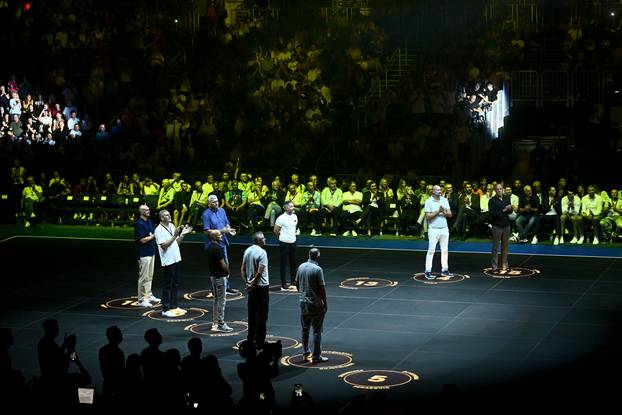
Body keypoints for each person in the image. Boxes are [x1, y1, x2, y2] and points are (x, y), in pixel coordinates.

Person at [154, 209, 193, 317]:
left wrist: (183, 235)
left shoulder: (171, 225)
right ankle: (165, 309)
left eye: (169, 214)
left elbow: (176, 243)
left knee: (175, 284)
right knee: (168, 285)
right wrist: (175, 235)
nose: (169, 216)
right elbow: (164, 246)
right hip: (168, 260)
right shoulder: (158, 230)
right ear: (161, 218)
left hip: (176, 258)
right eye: (167, 215)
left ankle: (174, 306)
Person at [295, 248, 328, 363]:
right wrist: (325, 303)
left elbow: (297, 284)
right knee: (316, 330)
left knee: (305, 329)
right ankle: (316, 355)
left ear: (308, 255)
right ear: (318, 256)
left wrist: (302, 295)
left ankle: (305, 352)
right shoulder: (318, 269)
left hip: (303, 303)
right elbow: (321, 288)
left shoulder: (301, 266)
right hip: (315, 303)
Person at [202, 194, 239, 295]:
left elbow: (226, 223)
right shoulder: (206, 214)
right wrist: (223, 230)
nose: (216, 203)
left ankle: (226, 287)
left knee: (225, 264)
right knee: (216, 266)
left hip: (222, 242)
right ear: (209, 204)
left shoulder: (222, 210)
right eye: (214, 202)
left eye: (217, 201)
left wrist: (229, 230)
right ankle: (216, 288)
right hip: (212, 244)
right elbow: (206, 231)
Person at [241, 231, 270, 349]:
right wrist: (253, 284)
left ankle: (250, 337)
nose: (265, 239)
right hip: (261, 287)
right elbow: (260, 271)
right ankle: (260, 341)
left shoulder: (247, 250)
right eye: (263, 238)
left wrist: (247, 283)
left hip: (251, 287)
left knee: (252, 313)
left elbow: (242, 268)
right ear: (258, 240)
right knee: (262, 315)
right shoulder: (262, 253)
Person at [424, 185, 453, 279]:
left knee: (445, 250)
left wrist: (443, 212)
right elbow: (428, 216)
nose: (439, 191)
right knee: (431, 250)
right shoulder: (428, 201)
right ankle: (428, 271)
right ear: (433, 191)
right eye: (437, 190)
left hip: (444, 228)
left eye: (440, 189)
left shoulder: (444, 200)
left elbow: (450, 214)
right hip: (433, 229)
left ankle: (445, 269)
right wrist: (438, 211)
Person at [207, 230, 233, 332]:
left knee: (216, 300)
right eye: (219, 234)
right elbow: (222, 264)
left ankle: (215, 322)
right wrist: (228, 271)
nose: (221, 235)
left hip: (213, 276)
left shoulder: (209, 247)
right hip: (220, 277)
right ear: (214, 237)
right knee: (221, 301)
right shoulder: (218, 248)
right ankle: (221, 324)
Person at [134, 205, 160, 307]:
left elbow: (150, 235)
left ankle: (148, 295)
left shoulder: (149, 221)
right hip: (143, 253)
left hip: (151, 251)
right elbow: (142, 240)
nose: (148, 211)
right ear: (141, 212)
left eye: (149, 209)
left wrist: (151, 236)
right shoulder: (139, 224)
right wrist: (153, 236)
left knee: (150, 276)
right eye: (146, 210)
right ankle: (141, 299)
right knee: (143, 277)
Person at [274, 201, 299, 291]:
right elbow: (276, 230)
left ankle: (293, 282)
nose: (293, 208)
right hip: (284, 243)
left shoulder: (295, 216)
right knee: (283, 264)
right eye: (291, 206)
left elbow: (294, 227)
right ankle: (283, 284)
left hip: (293, 242)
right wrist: (281, 238)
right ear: (285, 208)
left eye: (293, 206)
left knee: (293, 263)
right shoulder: (281, 218)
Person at [489, 183, 513, 271]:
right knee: (495, 247)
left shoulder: (507, 198)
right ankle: (494, 266)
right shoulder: (492, 201)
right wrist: (504, 210)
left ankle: (504, 265)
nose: (499, 190)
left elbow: (510, 212)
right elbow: (492, 214)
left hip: (506, 225)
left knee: (505, 247)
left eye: (501, 189)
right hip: (497, 226)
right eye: (498, 189)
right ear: (495, 190)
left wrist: (510, 209)